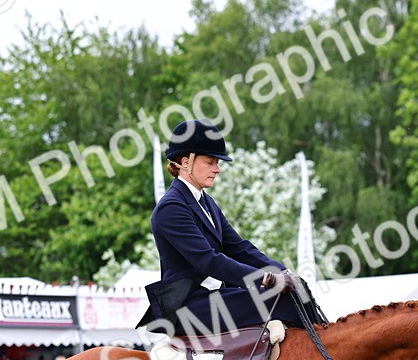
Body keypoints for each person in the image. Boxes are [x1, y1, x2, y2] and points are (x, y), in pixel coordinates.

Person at [137, 118, 324, 338]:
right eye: (210, 162)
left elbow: (239, 247)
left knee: (298, 289)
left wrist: (280, 270)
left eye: (217, 163)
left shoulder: (206, 202)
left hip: (216, 296)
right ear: (185, 162)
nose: (217, 169)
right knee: (282, 299)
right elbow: (208, 260)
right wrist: (265, 279)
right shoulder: (171, 207)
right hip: (190, 307)